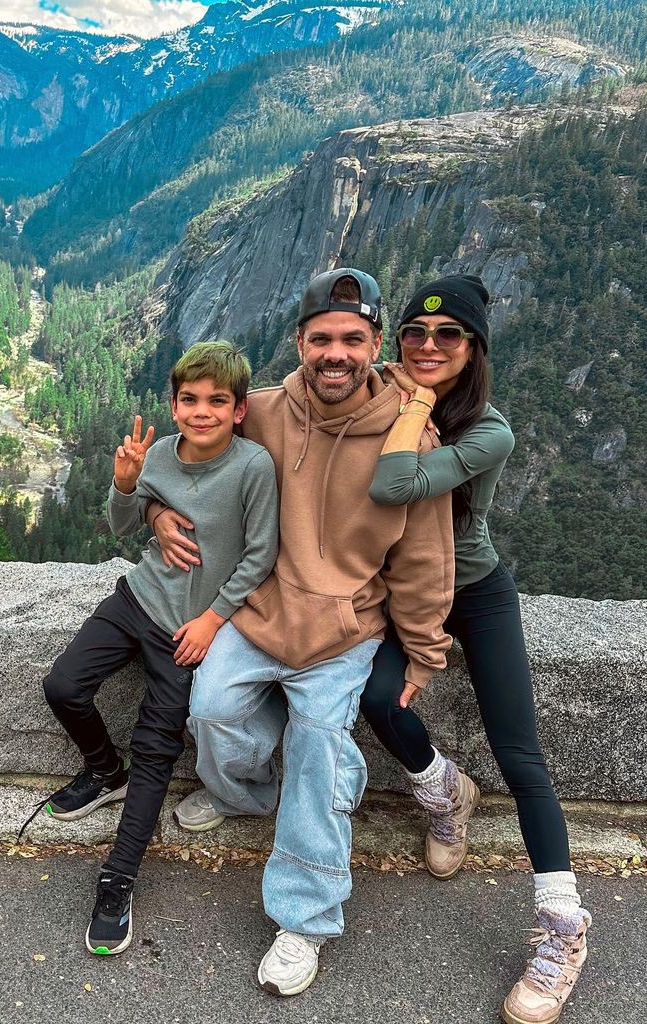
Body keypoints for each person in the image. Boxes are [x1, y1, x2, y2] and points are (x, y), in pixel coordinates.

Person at [150, 269, 456, 996]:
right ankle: (245, 796)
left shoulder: (410, 438)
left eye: (353, 338)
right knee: (213, 711)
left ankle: (305, 917)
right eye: (322, 338)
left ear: (376, 344)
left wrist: (424, 651)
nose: (336, 353)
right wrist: (154, 513)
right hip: (257, 611)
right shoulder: (261, 411)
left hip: (344, 633)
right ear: (300, 342)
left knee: (319, 751)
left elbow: (423, 554)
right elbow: (181, 456)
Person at [362, 274, 590, 1024]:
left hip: (475, 589)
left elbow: (396, 482)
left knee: (520, 755)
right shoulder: (375, 392)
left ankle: (563, 929)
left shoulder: (489, 429)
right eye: (415, 334)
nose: (428, 346)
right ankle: (443, 791)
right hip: (400, 587)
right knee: (376, 699)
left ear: (473, 348)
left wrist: (417, 402)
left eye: (447, 335)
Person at [37, 341, 279, 956]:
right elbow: (120, 525)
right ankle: (101, 770)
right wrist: (127, 487)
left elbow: (260, 555)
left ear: (239, 409)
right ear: (173, 405)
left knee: (156, 750)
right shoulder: (162, 455)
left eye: (216, 401)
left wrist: (211, 621)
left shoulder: (253, 468)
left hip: (188, 631)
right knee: (62, 686)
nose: (202, 412)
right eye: (190, 400)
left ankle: (117, 881)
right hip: (136, 599)